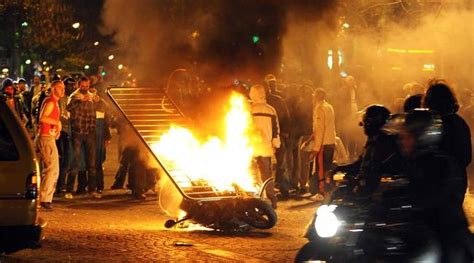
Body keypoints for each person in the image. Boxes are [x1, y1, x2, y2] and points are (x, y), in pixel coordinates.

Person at [395, 109, 473, 261]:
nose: (402, 140)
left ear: (421, 137)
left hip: (445, 234)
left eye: (406, 136)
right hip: (422, 230)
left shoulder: (441, 163)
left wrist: (408, 203)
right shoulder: (413, 162)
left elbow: (434, 194)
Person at [332, 105, 400, 196]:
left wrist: (361, 181)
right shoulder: (372, 141)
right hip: (365, 190)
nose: (363, 125)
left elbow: (376, 170)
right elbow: (360, 164)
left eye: (365, 122)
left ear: (371, 123)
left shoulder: (385, 144)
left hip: (376, 195)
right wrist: (339, 168)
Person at [422, 79, 471, 202]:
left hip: (438, 184)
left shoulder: (435, 124)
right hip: (457, 181)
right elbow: (466, 156)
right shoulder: (459, 121)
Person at [67, 76, 101, 199]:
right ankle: (69, 189)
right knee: (75, 161)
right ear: (78, 85)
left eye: (87, 86)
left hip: (90, 132)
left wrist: (98, 101)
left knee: (92, 163)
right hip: (78, 132)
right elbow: (68, 108)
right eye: (83, 86)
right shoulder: (74, 96)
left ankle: (92, 190)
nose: (85, 89)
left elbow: (102, 110)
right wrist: (80, 101)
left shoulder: (92, 95)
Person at [249, 84, 280, 209]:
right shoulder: (271, 110)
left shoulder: (249, 110)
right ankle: (272, 199)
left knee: (252, 174)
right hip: (266, 147)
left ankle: (254, 199)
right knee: (267, 175)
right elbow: (276, 129)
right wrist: (275, 143)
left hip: (250, 147)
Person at [36, 80, 65, 209]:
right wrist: (57, 123)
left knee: (49, 168)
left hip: (48, 137)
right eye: (60, 88)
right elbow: (43, 118)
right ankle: (45, 199)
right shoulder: (51, 102)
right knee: (52, 169)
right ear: (54, 89)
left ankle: (44, 198)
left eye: (63, 88)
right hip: (46, 138)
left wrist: (57, 128)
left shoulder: (54, 102)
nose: (63, 91)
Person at [264, 74, 291, 199]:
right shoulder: (278, 100)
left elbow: (285, 117)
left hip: (267, 138)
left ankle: (273, 190)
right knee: (280, 164)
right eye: (271, 85)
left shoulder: (277, 100)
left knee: (270, 166)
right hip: (276, 136)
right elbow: (286, 116)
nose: (272, 86)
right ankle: (281, 189)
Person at [308, 88, 336, 199]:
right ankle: (328, 191)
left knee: (321, 169)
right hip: (331, 141)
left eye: (314, 95)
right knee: (327, 168)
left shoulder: (319, 109)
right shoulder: (329, 107)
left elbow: (320, 129)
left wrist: (316, 148)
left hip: (323, 143)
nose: (312, 97)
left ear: (317, 96)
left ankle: (321, 192)